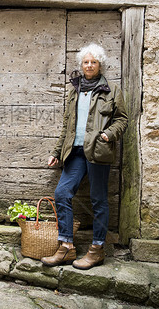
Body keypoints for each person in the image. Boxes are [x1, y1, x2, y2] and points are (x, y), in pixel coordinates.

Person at [41, 43, 128, 269]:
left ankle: (97, 249)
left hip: (98, 150)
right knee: (62, 193)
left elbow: (122, 119)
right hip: (75, 152)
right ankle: (66, 246)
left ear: (100, 65)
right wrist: (57, 152)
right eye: (86, 62)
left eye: (94, 62)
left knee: (99, 200)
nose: (89, 65)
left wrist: (109, 134)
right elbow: (67, 126)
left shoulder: (111, 90)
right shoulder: (74, 91)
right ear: (81, 65)